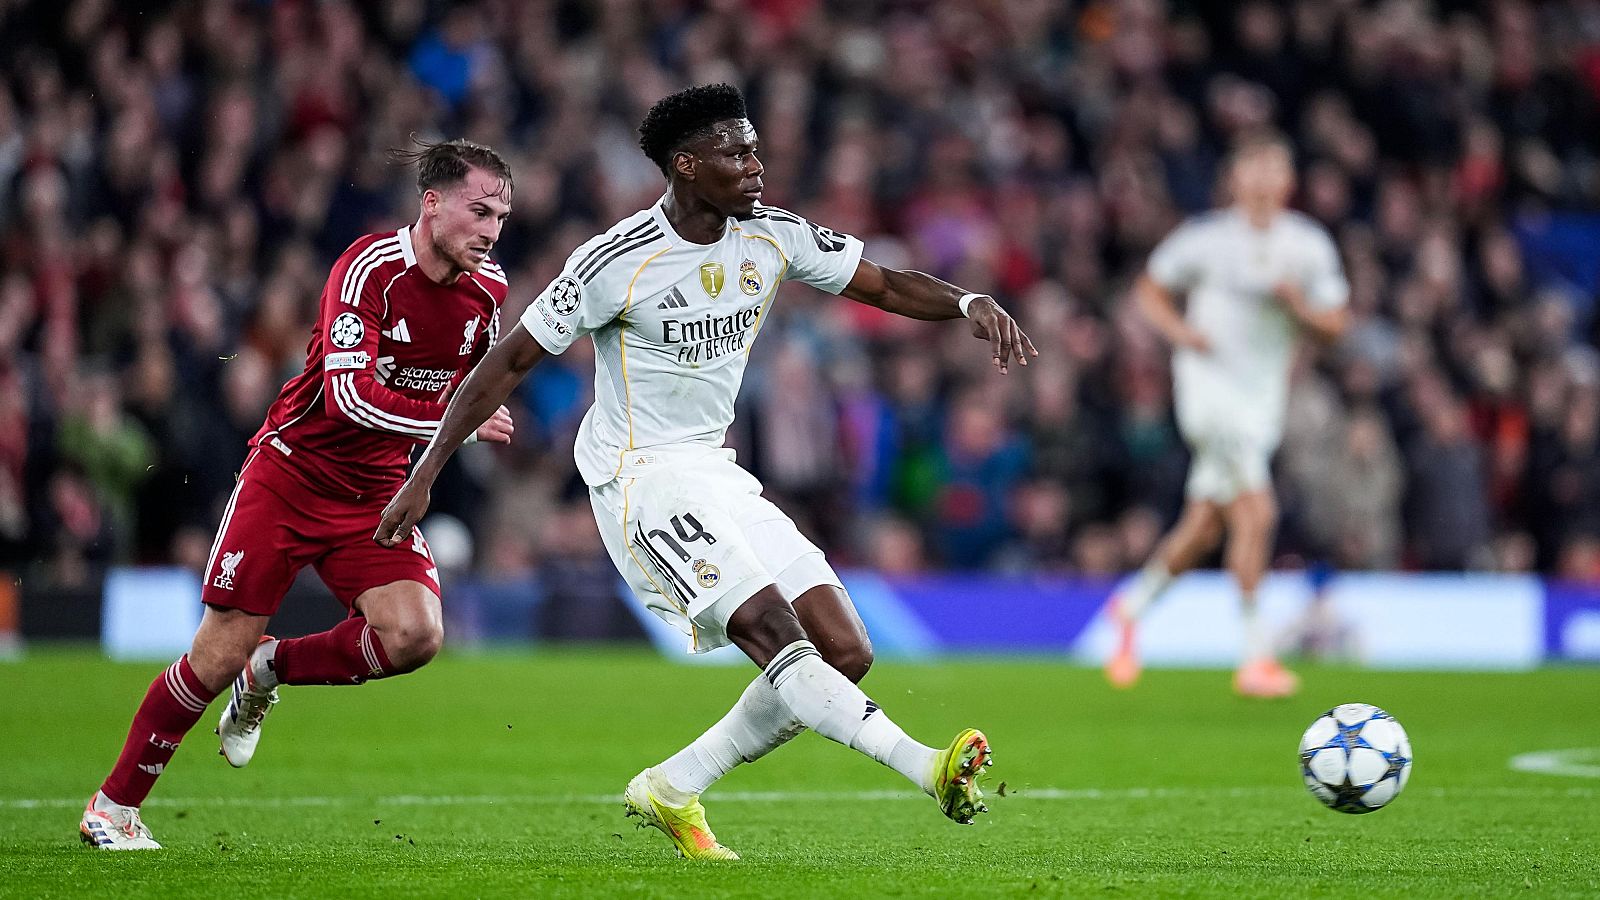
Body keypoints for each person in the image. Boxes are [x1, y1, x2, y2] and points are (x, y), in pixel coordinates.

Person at [375, 84, 1037, 859]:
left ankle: (674, 785)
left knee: (845, 649)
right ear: (686, 166)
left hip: (715, 469)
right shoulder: (613, 261)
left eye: (754, 148)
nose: (756, 165)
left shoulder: (771, 234)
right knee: (773, 632)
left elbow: (883, 284)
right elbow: (508, 361)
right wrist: (425, 470)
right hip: (641, 480)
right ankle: (928, 767)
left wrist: (969, 303)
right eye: (736, 152)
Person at [79, 140, 518, 849]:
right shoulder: (368, 268)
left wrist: (423, 475)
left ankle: (271, 667)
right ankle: (114, 806)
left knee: (416, 636)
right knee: (216, 652)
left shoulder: (488, 290)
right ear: (431, 202)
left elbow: (466, 393)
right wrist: (452, 427)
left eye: (501, 215)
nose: (492, 231)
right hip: (291, 476)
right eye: (479, 211)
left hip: (376, 491)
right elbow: (349, 397)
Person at [1104, 134, 1348, 698]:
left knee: (1208, 523)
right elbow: (1149, 288)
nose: (1262, 180)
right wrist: (1179, 333)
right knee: (1258, 512)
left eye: (1274, 168)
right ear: (1234, 179)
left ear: (1289, 181)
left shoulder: (1307, 245)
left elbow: (1336, 325)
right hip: (1207, 393)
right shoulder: (1206, 239)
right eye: (1252, 168)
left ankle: (1130, 608)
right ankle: (1256, 655)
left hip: (1262, 401)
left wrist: (1298, 309)